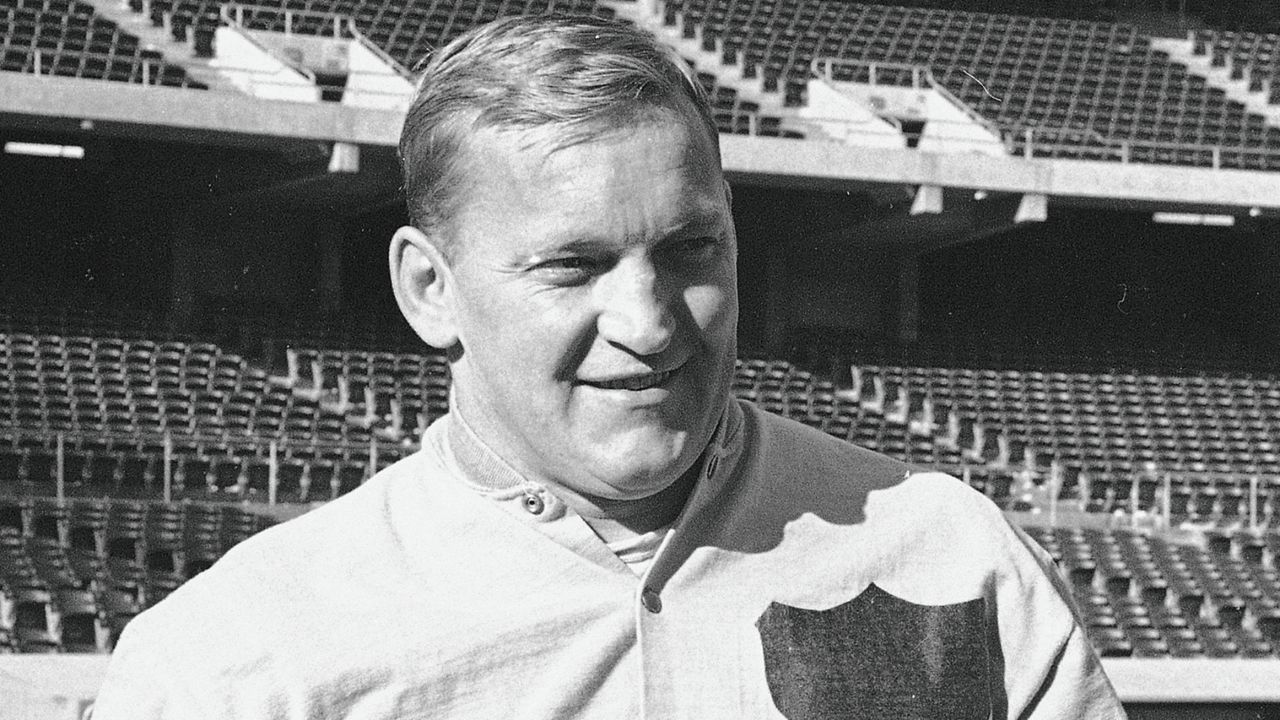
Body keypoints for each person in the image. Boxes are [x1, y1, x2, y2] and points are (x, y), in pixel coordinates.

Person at [92, 14, 1127, 719]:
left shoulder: (947, 547)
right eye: (571, 266)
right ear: (427, 290)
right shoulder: (234, 657)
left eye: (689, 251)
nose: (647, 322)